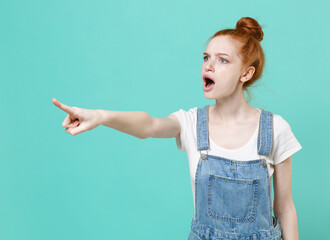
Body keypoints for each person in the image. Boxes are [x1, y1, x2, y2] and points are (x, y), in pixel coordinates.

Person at [53, 16, 301, 240]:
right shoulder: (192, 123)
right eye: (206, 58)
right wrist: (100, 116)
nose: (209, 66)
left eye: (222, 60)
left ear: (246, 74)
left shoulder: (275, 128)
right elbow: (148, 125)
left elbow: (285, 208)